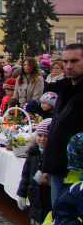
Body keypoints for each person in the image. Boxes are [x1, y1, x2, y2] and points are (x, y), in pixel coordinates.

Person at [41, 45, 83, 208]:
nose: (69, 66)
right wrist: (47, 163)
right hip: (58, 167)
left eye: (74, 61)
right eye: (65, 61)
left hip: (76, 172)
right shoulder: (65, 89)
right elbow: (57, 128)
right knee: (59, 219)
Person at [17, 119, 53, 225]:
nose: (42, 139)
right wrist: (22, 193)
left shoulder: (53, 155)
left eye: (46, 136)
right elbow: (25, 176)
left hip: (49, 198)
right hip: (36, 196)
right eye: (40, 135)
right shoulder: (32, 153)